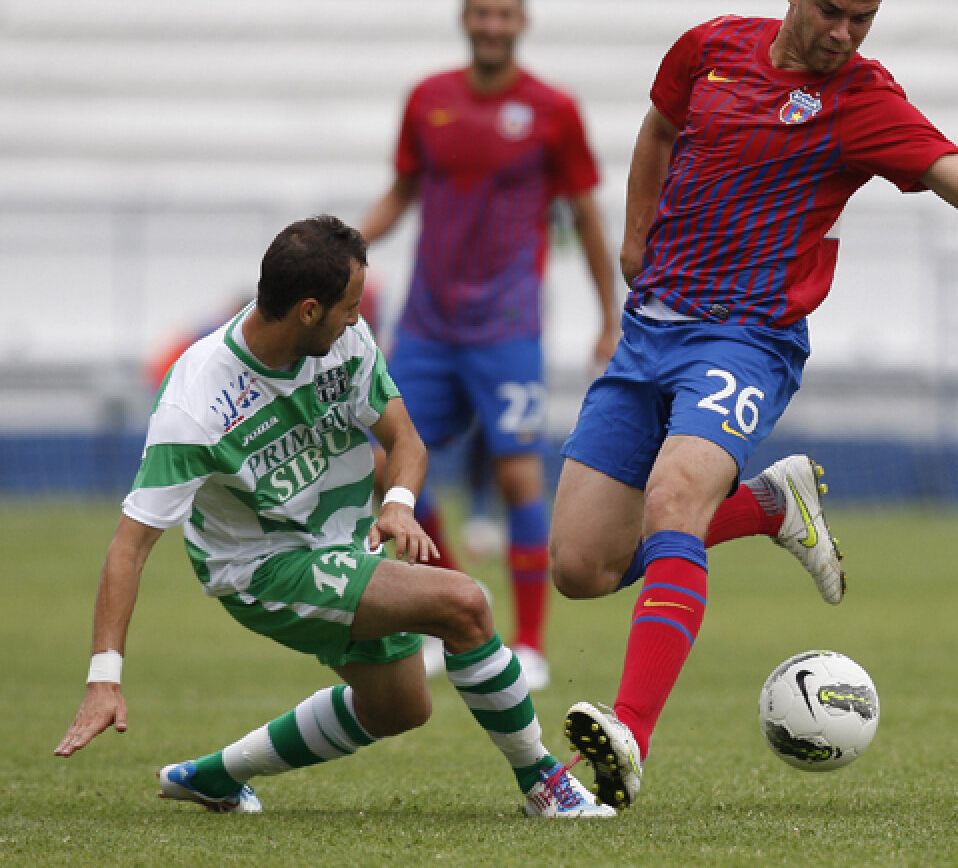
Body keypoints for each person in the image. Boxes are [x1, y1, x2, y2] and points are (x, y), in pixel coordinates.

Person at [549, 0, 958, 810]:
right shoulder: (709, 49)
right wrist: (634, 243)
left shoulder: (863, 100)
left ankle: (631, 736)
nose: (843, 34)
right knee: (581, 567)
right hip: (651, 330)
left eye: (862, 19)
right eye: (831, 10)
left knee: (676, 494)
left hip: (747, 338)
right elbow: (657, 132)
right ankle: (767, 507)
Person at [54, 215, 614, 820]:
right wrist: (104, 678)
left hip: (341, 544)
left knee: (401, 707)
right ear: (307, 310)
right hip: (261, 569)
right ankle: (544, 783)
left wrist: (397, 506)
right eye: (349, 305)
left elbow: (407, 442)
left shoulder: (343, 341)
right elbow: (129, 547)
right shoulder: (196, 404)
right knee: (465, 604)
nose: (358, 316)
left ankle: (210, 778)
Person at [359, 0, 620, 691]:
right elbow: (403, 192)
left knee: (515, 475)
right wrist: (345, 241)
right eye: (482, 13)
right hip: (428, 325)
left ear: (521, 20)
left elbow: (586, 218)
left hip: (507, 326)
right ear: (466, 17)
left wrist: (609, 313)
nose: (493, 25)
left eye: (505, 13)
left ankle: (529, 642)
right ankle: (450, 608)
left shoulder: (552, 111)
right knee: (390, 462)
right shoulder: (428, 100)